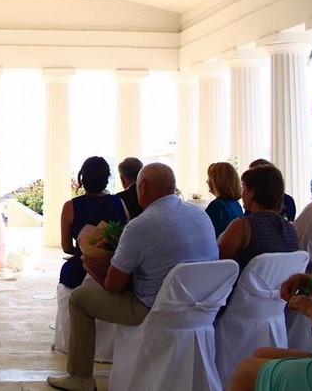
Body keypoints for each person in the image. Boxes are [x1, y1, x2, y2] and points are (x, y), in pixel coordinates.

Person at [47, 163, 218, 391]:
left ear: (143, 186)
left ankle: (81, 378)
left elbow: (115, 286)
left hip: (154, 309)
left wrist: (93, 269)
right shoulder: (200, 216)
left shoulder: (141, 225)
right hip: (200, 309)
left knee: (79, 299)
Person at [227, 179, 312, 391]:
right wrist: (310, 284)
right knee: (262, 354)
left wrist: (309, 306)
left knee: (244, 373)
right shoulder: (285, 227)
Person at [58, 156, 129, 290]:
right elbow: (127, 239)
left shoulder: (70, 206)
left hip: (79, 273)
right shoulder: (119, 203)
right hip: (111, 272)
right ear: (106, 179)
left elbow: (66, 247)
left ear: (83, 178)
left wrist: (85, 252)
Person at [218, 164, 299, 270]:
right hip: (278, 286)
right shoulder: (290, 229)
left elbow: (218, 263)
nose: (242, 193)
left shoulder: (242, 226)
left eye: (243, 187)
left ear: (252, 191)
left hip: (241, 285)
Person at [204, 162, 244, 237]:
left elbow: (206, 234)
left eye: (209, 178)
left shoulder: (217, 206)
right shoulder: (236, 204)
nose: (207, 181)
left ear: (216, 181)